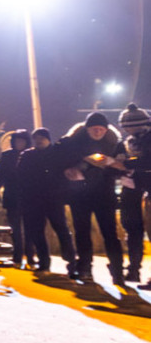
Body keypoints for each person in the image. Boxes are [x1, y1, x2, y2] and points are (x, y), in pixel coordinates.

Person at [57, 112, 123, 282]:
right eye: (94, 129)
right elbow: (60, 159)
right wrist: (71, 169)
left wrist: (109, 164)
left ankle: (117, 271)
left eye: (101, 129)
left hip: (104, 194)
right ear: (87, 129)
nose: (98, 132)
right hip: (80, 194)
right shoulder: (72, 143)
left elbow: (122, 167)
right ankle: (85, 268)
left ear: (106, 130)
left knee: (110, 233)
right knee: (82, 232)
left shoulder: (114, 144)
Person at [17, 128, 77, 274]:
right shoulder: (27, 155)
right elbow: (20, 175)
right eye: (36, 138)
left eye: (42, 137)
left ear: (48, 138)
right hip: (33, 199)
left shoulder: (57, 153)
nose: (39, 140)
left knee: (61, 228)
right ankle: (44, 262)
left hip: (54, 198)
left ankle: (71, 260)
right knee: (37, 232)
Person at [116, 104, 151, 283]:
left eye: (128, 126)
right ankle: (133, 269)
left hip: (145, 189)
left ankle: (134, 269)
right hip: (132, 189)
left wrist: (127, 164)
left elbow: (146, 161)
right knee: (132, 228)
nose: (126, 130)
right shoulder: (130, 142)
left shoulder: (147, 140)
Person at [0, 130, 34, 268]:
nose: (19, 143)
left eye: (22, 141)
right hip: (12, 196)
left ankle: (30, 257)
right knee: (15, 228)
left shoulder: (32, 155)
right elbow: (0, 174)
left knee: (29, 228)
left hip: (29, 197)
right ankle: (17, 257)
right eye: (17, 141)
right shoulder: (7, 155)